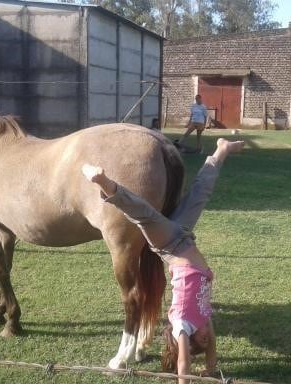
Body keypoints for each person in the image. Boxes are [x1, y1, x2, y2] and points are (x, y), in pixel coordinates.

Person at [82, 138, 245, 384]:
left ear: (189, 339)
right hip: (184, 235)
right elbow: (211, 350)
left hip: (168, 245)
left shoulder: (182, 324)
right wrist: (210, 372)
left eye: (202, 339)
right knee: (201, 192)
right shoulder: (204, 318)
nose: (208, 337)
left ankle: (104, 184)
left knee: (143, 214)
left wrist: (185, 379)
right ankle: (221, 149)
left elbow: (183, 363)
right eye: (207, 339)